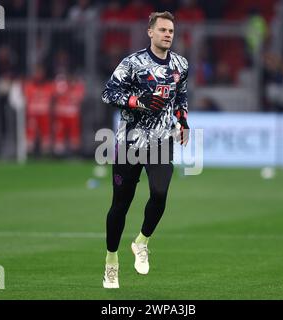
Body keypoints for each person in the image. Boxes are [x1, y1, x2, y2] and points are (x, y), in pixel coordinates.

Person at [101, 11, 189, 289]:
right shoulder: (132, 63)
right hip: (130, 142)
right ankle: (111, 262)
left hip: (162, 141)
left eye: (171, 31)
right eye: (162, 30)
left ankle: (141, 242)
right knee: (121, 205)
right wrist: (138, 102)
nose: (167, 35)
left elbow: (181, 96)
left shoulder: (181, 64)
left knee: (160, 194)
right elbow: (108, 93)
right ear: (150, 32)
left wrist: (184, 122)